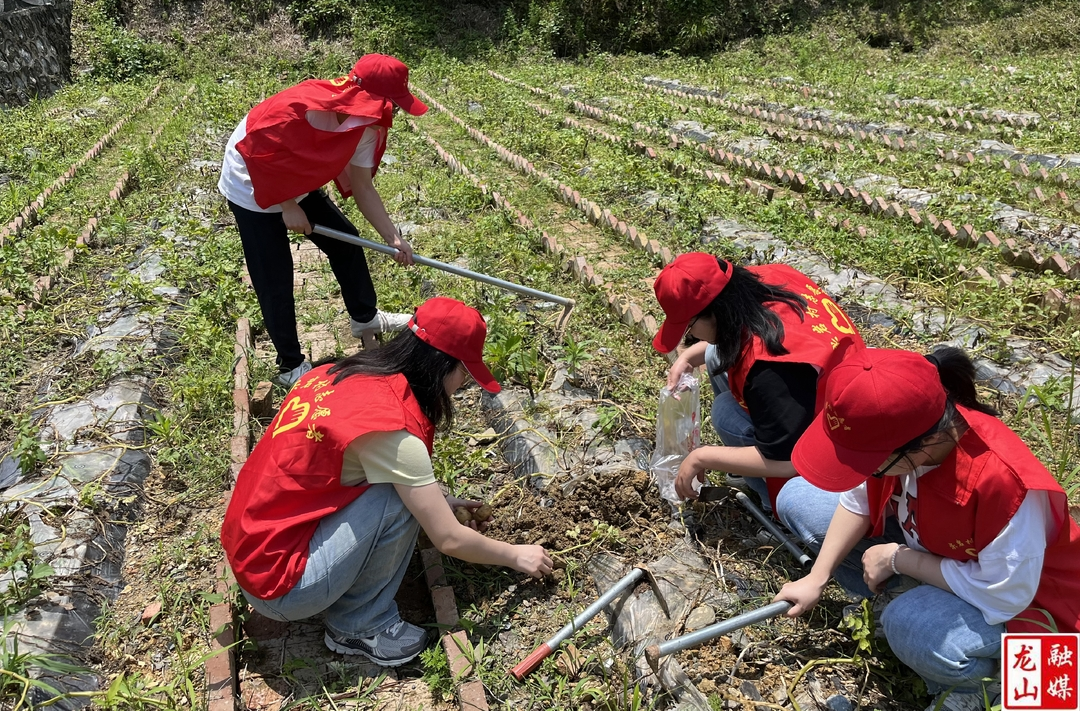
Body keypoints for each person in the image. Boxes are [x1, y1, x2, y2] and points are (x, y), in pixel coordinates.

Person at [221, 297, 553, 666]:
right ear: (443, 366)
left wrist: (439, 500)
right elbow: (449, 539)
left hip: (253, 546)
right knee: (398, 500)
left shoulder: (338, 374)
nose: (462, 386)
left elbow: (349, 466)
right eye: (464, 373)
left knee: (406, 492)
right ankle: (358, 627)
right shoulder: (394, 434)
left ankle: (347, 602)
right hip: (280, 588)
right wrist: (517, 555)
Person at [774, 347, 1080, 711]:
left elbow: (1006, 596)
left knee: (910, 625)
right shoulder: (905, 426)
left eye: (870, 464)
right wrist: (817, 576)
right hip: (942, 557)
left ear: (927, 444)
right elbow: (857, 499)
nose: (861, 471)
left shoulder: (1005, 483)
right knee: (801, 498)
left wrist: (897, 559)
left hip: (1027, 604)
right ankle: (905, 602)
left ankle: (989, 683)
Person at [219, 53, 425, 387]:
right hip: (250, 183)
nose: (396, 111)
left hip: (295, 179)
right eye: (394, 103)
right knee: (275, 278)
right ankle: (290, 366)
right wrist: (287, 206)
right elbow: (254, 148)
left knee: (346, 242)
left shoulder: (368, 126)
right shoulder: (303, 107)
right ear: (373, 99)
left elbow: (362, 186)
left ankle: (365, 319)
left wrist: (393, 238)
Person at [652, 252, 864, 534]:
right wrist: (688, 357)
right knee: (716, 355)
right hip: (832, 382)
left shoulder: (770, 371)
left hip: (841, 440)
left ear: (716, 311)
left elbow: (787, 460)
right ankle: (750, 471)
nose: (694, 336)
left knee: (726, 414)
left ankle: (780, 515)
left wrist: (701, 457)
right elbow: (728, 339)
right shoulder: (768, 277)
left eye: (690, 328)